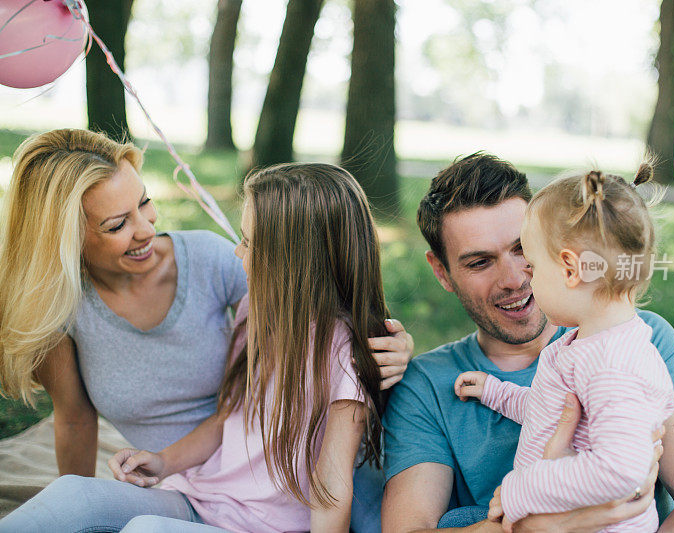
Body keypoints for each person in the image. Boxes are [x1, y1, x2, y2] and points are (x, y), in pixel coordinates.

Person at [0, 130, 411, 530]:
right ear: (67, 237)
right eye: (116, 224)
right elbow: (225, 416)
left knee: (145, 528)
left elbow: (324, 291)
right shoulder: (254, 309)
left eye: (145, 202)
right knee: (73, 498)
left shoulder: (228, 273)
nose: (145, 229)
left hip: (258, 509)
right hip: (201, 488)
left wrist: (390, 344)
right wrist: (161, 462)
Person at [381, 153, 674, 532]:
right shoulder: (426, 385)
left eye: (523, 250)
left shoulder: (642, 343)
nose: (516, 278)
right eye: (480, 262)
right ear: (442, 272)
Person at [454, 164, 674, 532]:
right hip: (547, 519)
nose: (526, 280)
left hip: (591, 525)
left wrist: (520, 490)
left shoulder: (613, 364)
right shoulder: (589, 344)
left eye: (534, 267)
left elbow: (619, 469)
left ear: (570, 270)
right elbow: (553, 412)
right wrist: (495, 392)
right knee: (456, 521)